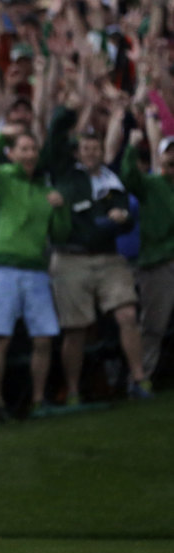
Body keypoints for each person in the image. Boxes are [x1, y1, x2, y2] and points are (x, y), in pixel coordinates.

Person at [46, 101, 153, 403]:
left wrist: (123, 218)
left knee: (128, 313)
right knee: (76, 329)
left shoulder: (111, 179)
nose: (91, 152)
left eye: (95, 148)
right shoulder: (66, 174)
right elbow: (54, 137)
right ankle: (74, 391)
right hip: (71, 258)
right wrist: (68, 109)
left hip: (108, 257)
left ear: (102, 150)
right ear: (77, 152)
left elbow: (125, 216)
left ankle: (139, 379)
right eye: (85, 148)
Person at [0, 124, 69, 415]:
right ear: (11, 154)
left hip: (36, 270)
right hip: (2, 269)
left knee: (44, 338)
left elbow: (60, 235)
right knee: (1, 339)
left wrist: (60, 210)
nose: (30, 153)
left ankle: (38, 401)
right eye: (23, 148)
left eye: (33, 148)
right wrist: (0, 138)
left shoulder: (45, 190)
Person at [120, 132, 174, 383]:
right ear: (161, 158)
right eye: (170, 153)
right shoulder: (151, 184)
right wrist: (131, 146)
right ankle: (141, 378)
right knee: (154, 325)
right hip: (158, 262)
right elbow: (129, 177)